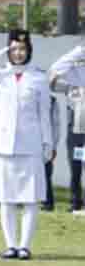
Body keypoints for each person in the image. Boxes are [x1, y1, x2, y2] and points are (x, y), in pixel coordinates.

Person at [0, 30, 54, 259]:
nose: (18, 54)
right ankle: (10, 244)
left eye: (22, 49)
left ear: (29, 51)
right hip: (3, 145)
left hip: (30, 143)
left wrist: (47, 142)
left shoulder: (38, 78)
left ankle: (25, 246)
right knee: (6, 196)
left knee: (30, 198)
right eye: (13, 49)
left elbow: (44, 114)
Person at [47, 42, 85, 214]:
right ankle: (75, 202)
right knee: (76, 168)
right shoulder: (72, 83)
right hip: (76, 134)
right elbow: (55, 74)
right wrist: (78, 52)